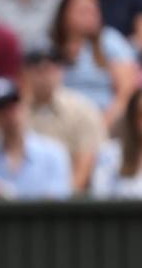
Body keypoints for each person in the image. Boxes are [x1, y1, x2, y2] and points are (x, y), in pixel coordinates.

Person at [52, 0, 139, 127]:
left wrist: (101, 127)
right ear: (64, 13)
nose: (90, 14)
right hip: (63, 123)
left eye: (93, 8)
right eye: (82, 10)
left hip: (106, 121)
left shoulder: (111, 41)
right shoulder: (52, 47)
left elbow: (126, 94)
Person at [0, 77, 73, 200]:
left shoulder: (53, 154)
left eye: (14, 105)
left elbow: (57, 204)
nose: (10, 114)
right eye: (2, 109)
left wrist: (3, 192)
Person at [23, 47, 105, 193]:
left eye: (49, 69)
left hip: (70, 203)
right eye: (37, 70)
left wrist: (61, 205)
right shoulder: (17, 112)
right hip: (25, 200)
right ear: (27, 74)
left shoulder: (82, 110)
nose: (43, 76)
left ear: (60, 71)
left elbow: (85, 164)